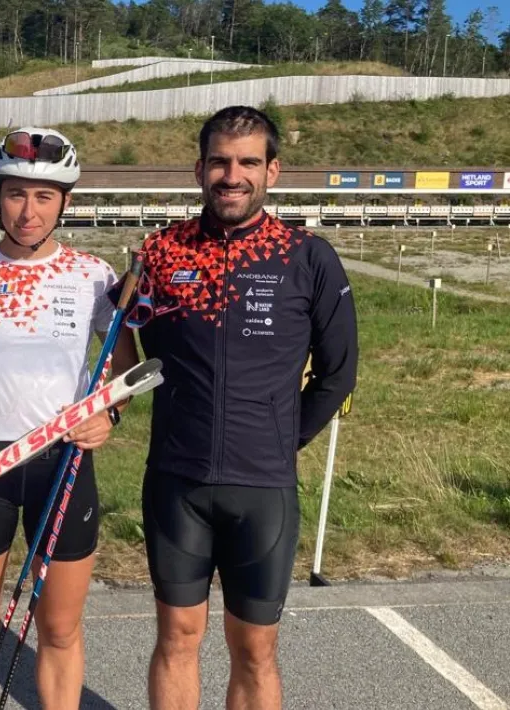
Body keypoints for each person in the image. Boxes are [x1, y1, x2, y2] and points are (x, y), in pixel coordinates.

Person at [130, 105, 359, 710]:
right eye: (220, 162)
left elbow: (338, 374)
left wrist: (283, 440)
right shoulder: (159, 253)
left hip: (264, 487)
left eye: (248, 162)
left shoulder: (307, 256)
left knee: (254, 650)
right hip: (177, 481)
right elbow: (128, 349)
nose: (233, 175)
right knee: (177, 638)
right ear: (199, 169)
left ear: (273, 171)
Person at [0, 127, 139, 710]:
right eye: (16, 194)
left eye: (44, 196)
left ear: (65, 201)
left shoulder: (94, 276)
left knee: (60, 630)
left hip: (63, 462)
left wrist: (109, 419)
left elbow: (124, 377)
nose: (28, 211)